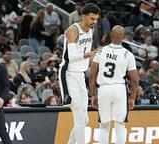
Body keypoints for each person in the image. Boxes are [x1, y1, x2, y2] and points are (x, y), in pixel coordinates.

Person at [58, 3, 100, 144]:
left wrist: (93, 55)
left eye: (96, 19)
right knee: (80, 119)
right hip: (68, 74)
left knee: (85, 120)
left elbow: (84, 52)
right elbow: (72, 56)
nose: (94, 22)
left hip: (80, 75)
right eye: (92, 19)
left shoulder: (90, 31)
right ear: (84, 16)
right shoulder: (73, 30)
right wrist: (89, 54)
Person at [89, 25, 139, 144]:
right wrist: (132, 97)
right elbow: (135, 80)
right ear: (123, 38)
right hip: (119, 89)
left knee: (104, 126)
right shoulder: (128, 54)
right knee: (120, 125)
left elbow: (92, 75)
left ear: (111, 36)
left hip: (104, 88)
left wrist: (93, 95)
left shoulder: (100, 51)